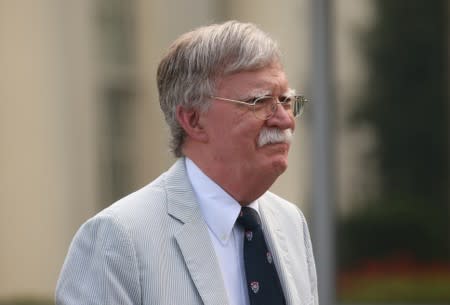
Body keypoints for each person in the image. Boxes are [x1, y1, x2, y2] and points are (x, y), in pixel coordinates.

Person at [56, 20, 318, 305]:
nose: (285, 119)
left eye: (286, 100)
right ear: (193, 120)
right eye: (259, 102)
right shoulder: (118, 238)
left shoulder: (290, 222)